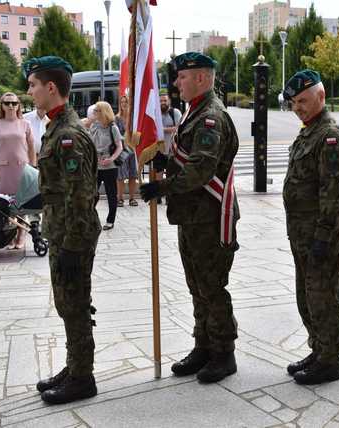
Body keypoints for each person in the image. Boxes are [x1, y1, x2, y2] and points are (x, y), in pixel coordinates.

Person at [139, 52, 240, 383]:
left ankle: (223, 353)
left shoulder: (211, 116)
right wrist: (166, 160)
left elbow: (201, 169)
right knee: (197, 285)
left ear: (203, 78)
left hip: (209, 216)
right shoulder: (196, 113)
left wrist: (164, 187)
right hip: (193, 216)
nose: (177, 82)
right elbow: (189, 157)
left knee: (212, 286)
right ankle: (203, 346)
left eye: (183, 77)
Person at [24, 55, 101, 404]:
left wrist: (71, 245)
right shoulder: (56, 126)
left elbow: (81, 196)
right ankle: (74, 366)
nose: (30, 91)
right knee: (67, 303)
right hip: (63, 231)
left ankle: (82, 378)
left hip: (74, 234)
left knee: (74, 304)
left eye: (33, 84)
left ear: (50, 87)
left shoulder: (68, 134)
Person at [282, 70, 339, 385]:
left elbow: (334, 193)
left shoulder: (330, 136)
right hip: (301, 234)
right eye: (294, 102)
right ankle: (318, 349)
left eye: (303, 101)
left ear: (320, 97)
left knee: (322, 297)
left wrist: (324, 237)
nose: (298, 107)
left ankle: (329, 360)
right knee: (306, 296)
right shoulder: (309, 131)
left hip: (319, 235)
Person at [0, 92, 36, 249]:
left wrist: (33, 167)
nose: (11, 106)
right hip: (4, 168)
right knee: (6, 203)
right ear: (1, 105)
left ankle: (21, 234)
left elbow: (31, 148)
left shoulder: (25, 124)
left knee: (21, 202)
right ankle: (10, 235)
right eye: (7, 103)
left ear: (18, 105)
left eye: (14, 103)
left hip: (22, 167)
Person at [90, 101, 122, 231]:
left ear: (103, 112)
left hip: (109, 166)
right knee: (91, 193)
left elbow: (120, 146)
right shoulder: (94, 126)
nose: (94, 112)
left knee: (111, 193)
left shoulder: (112, 127)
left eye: (96, 110)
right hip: (96, 165)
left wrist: (111, 159)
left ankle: (110, 220)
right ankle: (90, 217)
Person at [157, 93, 182, 204]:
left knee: (171, 174)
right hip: (159, 149)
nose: (163, 103)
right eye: (161, 101)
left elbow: (179, 127)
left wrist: (162, 129)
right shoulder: (156, 113)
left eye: (165, 101)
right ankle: (159, 195)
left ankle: (169, 196)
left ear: (169, 102)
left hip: (172, 149)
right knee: (159, 174)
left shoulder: (175, 113)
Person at [115, 95, 139, 207]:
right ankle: (120, 199)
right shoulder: (116, 118)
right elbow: (115, 135)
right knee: (120, 176)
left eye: (126, 102)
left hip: (133, 149)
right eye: (122, 102)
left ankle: (132, 198)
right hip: (121, 150)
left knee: (133, 174)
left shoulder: (134, 118)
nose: (124, 104)